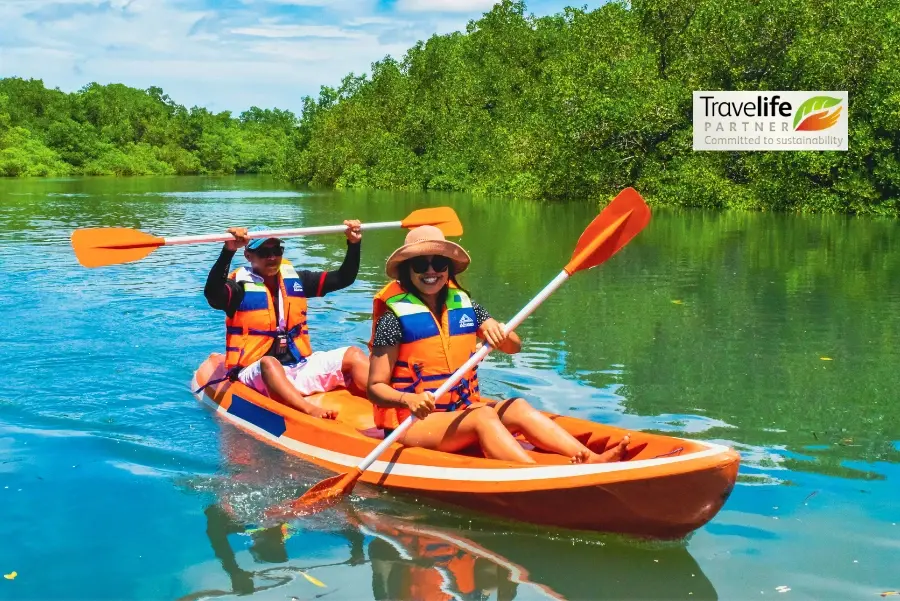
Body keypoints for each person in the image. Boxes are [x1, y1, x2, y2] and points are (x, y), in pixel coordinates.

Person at [366, 225, 630, 464]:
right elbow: (375, 387)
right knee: (483, 417)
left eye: (439, 263)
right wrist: (408, 399)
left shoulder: (467, 307)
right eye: (421, 265)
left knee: (517, 407)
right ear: (407, 270)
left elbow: (515, 347)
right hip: (415, 422)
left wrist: (500, 332)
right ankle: (533, 476)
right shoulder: (392, 320)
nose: (431, 271)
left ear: (448, 268)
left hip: (461, 410)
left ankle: (593, 459)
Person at [204, 221, 369, 419]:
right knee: (270, 363)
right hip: (256, 372)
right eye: (264, 253)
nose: (272, 257)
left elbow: (344, 278)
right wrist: (228, 251)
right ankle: (309, 410)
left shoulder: (296, 280)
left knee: (353, 354)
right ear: (248, 256)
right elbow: (213, 293)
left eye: (277, 250)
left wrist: (354, 243)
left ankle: (387, 399)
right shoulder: (238, 288)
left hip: (299, 365)